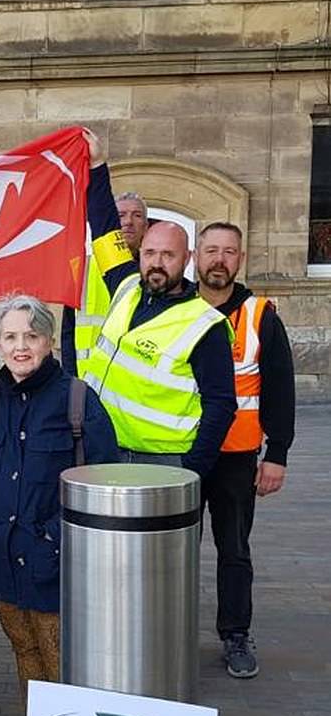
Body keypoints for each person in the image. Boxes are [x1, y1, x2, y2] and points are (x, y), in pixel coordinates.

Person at [0, 295, 119, 716]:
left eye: (31, 336)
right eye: (11, 337)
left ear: (49, 340)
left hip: (54, 559)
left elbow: (102, 481)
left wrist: (59, 538)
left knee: (60, 655)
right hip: (1, 556)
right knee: (24, 649)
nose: (21, 347)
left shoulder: (77, 399)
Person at [82, 130, 237, 478]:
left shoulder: (204, 325)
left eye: (168, 255)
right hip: (105, 448)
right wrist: (96, 164)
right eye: (150, 253)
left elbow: (221, 405)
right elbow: (105, 227)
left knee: (163, 536)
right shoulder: (125, 286)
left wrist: (193, 468)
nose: (156, 262)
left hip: (163, 461)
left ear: (187, 259)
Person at [196, 222, 295, 678]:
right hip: (183, 454)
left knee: (233, 549)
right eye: (211, 250)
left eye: (229, 252)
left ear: (240, 259)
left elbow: (280, 387)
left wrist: (277, 454)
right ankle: (169, 633)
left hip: (237, 456)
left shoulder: (260, 315)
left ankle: (235, 634)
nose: (219, 259)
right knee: (173, 551)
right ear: (196, 255)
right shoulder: (176, 310)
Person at [61, 193, 148, 377]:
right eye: (121, 215)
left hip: (135, 384)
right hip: (89, 381)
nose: (128, 221)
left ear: (146, 227)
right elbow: (68, 332)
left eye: (137, 215)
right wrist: (71, 381)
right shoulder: (81, 269)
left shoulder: (156, 274)